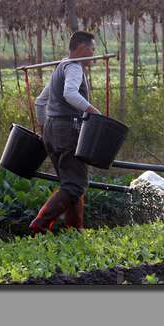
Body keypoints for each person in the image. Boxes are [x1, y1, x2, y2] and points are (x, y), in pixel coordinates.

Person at [29, 31, 101, 235]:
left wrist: (44, 128)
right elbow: (70, 94)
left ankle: (75, 230)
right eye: (92, 49)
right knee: (75, 184)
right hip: (69, 130)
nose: (94, 54)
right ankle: (40, 224)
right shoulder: (74, 67)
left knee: (70, 183)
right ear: (82, 48)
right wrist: (94, 112)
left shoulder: (60, 67)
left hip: (53, 131)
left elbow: (40, 102)